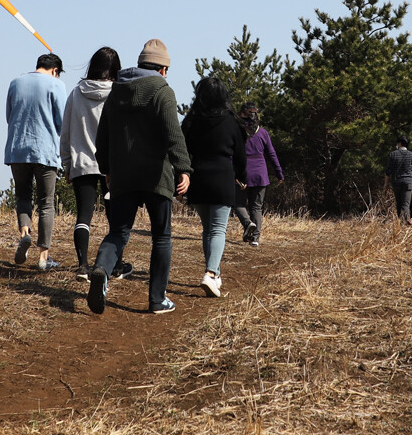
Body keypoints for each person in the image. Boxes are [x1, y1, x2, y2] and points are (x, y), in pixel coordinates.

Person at [88, 39, 192, 315]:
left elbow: (103, 136)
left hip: (123, 174)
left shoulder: (117, 90)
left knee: (118, 232)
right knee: (161, 237)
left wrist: (107, 169)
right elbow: (174, 133)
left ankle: (101, 270)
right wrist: (184, 168)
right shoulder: (162, 90)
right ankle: (157, 299)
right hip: (156, 176)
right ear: (162, 69)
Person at [60, 47, 124, 281]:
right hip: (112, 165)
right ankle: (115, 265)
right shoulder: (119, 93)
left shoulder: (77, 93)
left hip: (82, 162)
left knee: (83, 216)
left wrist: (67, 162)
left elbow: (65, 131)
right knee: (115, 217)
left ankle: (82, 266)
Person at [181, 77, 247, 298]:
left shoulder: (192, 120)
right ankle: (210, 274)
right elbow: (240, 154)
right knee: (219, 229)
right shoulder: (231, 121)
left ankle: (215, 275)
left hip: (198, 177)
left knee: (208, 229)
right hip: (222, 178)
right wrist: (242, 176)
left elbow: (182, 147)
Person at [5, 53, 67, 270]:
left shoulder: (15, 83)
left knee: (23, 195)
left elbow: (9, 116)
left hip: (17, 150)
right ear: (55, 70)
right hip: (45, 150)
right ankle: (43, 257)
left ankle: (24, 232)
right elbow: (61, 120)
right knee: (46, 203)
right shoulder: (56, 84)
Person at [234, 102, 283, 246]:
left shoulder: (237, 131)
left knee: (238, 204)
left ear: (242, 113)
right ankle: (255, 239)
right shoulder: (262, 133)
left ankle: (248, 223)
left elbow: (231, 154)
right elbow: (272, 154)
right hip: (261, 174)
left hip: (242, 172)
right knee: (256, 207)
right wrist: (279, 173)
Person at [383, 135, 412, 225]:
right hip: (408, 182)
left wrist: (386, 183)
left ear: (399, 143)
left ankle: (400, 222)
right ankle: (402, 223)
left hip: (396, 182)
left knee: (399, 203)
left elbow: (388, 171)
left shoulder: (393, 154)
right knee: (406, 204)